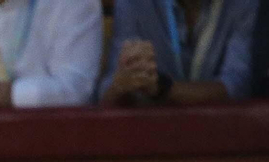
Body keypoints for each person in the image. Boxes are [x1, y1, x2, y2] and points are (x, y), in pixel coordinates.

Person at [101, 0, 257, 105]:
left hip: (223, 134)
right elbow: (107, 95)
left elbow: (238, 87)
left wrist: (162, 88)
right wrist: (124, 82)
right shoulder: (134, 3)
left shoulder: (245, 4)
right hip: (150, 135)